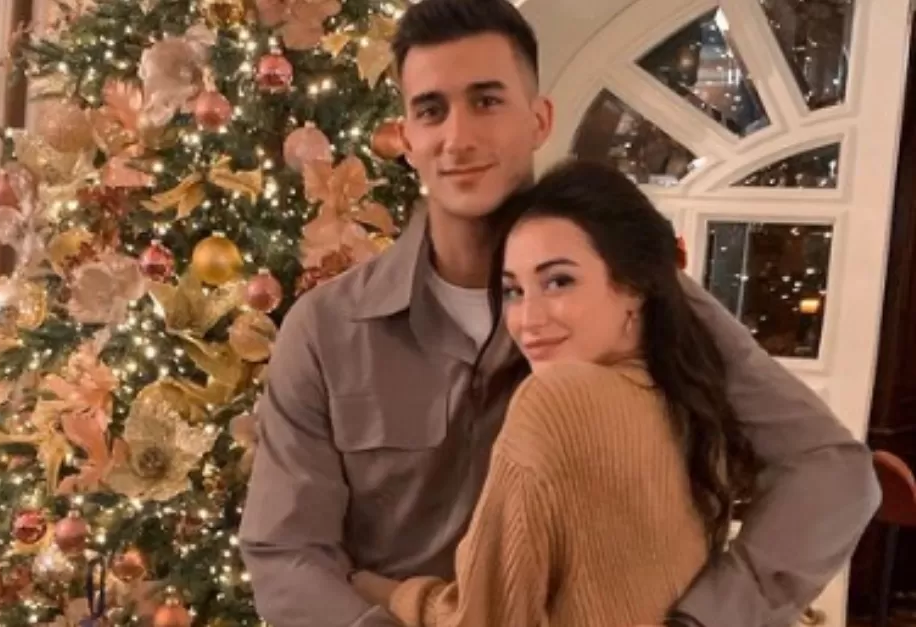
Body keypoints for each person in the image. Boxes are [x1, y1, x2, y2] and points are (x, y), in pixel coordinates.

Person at [238, 1, 880, 625]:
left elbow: (833, 473)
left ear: (539, 119)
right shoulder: (326, 330)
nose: (458, 137)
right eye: (432, 110)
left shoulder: (635, 296)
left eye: (487, 101)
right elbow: (286, 552)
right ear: (406, 139)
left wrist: (707, 617)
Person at [348, 157, 761, 626]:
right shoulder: (686, 404)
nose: (528, 320)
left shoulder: (556, 400)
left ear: (633, 287)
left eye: (559, 281)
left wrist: (390, 594)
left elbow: (484, 621)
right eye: (513, 291)